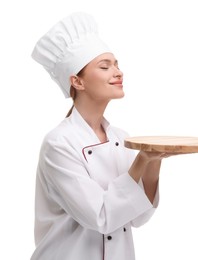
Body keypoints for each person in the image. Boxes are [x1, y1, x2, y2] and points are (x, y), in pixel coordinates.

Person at [30, 12, 170, 260]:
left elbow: (138, 216)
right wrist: (142, 159)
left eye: (116, 64)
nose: (118, 72)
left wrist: (153, 160)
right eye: (105, 66)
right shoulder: (59, 143)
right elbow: (101, 216)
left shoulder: (121, 138)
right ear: (77, 81)